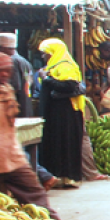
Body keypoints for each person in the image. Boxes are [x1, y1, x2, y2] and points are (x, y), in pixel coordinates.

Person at [0, 52, 75, 220]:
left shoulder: (6, 90)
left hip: (10, 153)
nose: (4, 75)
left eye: (7, 71)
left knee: (34, 192)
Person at [37, 38, 87, 185]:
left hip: (67, 112)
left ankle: (68, 177)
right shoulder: (53, 66)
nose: (43, 56)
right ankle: (58, 176)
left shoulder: (66, 66)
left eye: (45, 53)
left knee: (66, 143)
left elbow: (69, 86)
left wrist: (46, 79)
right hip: (55, 112)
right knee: (56, 144)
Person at [0, 33, 33, 118]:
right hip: (26, 105)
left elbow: (14, 86)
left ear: (3, 48)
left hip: (15, 107)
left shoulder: (11, 61)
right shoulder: (25, 61)